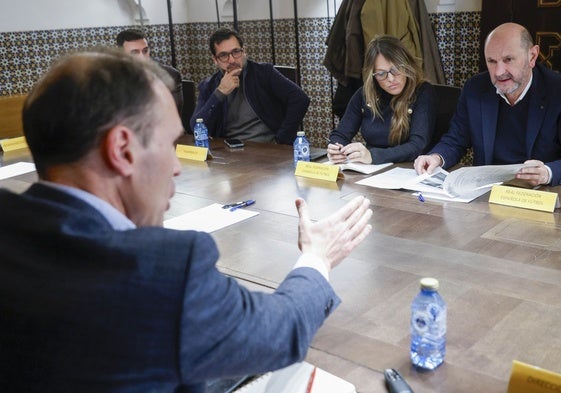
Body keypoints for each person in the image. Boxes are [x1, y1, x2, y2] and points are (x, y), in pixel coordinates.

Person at [0, 48, 373, 392]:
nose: (176, 167)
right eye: (167, 145)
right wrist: (317, 258)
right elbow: (282, 330)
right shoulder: (162, 270)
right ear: (122, 150)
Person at [414, 22, 561, 187]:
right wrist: (436, 157)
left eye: (508, 59)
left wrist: (548, 173)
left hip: (541, 193)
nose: (499, 72)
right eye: (491, 61)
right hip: (486, 191)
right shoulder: (475, 88)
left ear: (532, 56)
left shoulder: (556, 90)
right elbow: (456, 139)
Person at [327, 35, 436, 165]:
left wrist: (373, 156)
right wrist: (336, 148)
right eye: (381, 74)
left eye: (396, 70)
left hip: (410, 168)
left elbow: (418, 146)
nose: (390, 79)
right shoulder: (364, 94)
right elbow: (341, 134)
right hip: (372, 169)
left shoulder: (423, 92)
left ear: (407, 66)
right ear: (373, 76)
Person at [190, 27, 310, 145]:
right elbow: (196, 127)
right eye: (223, 55)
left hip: (268, 147)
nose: (231, 60)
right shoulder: (209, 85)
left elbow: (300, 99)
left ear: (244, 51)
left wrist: (281, 140)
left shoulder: (264, 73)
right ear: (215, 60)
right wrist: (220, 93)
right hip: (229, 151)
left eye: (236, 52)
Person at [116, 28, 183, 115]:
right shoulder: (112, 77)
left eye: (145, 51)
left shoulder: (169, 75)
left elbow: (171, 114)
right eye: (135, 52)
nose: (142, 57)